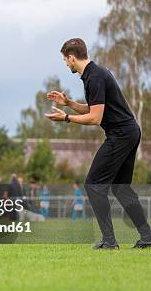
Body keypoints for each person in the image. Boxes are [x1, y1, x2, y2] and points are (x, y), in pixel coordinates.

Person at [45, 38, 151, 249]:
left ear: (72, 57)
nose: (66, 64)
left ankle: (109, 241)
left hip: (121, 135)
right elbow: (94, 108)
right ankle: (147, 236)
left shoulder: (94, 77)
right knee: (120, 188)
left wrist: (66, 118)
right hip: (129, 131)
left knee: (93, 185)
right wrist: (69, 104)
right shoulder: (94, 74)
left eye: (65, 60)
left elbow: (95, 118)